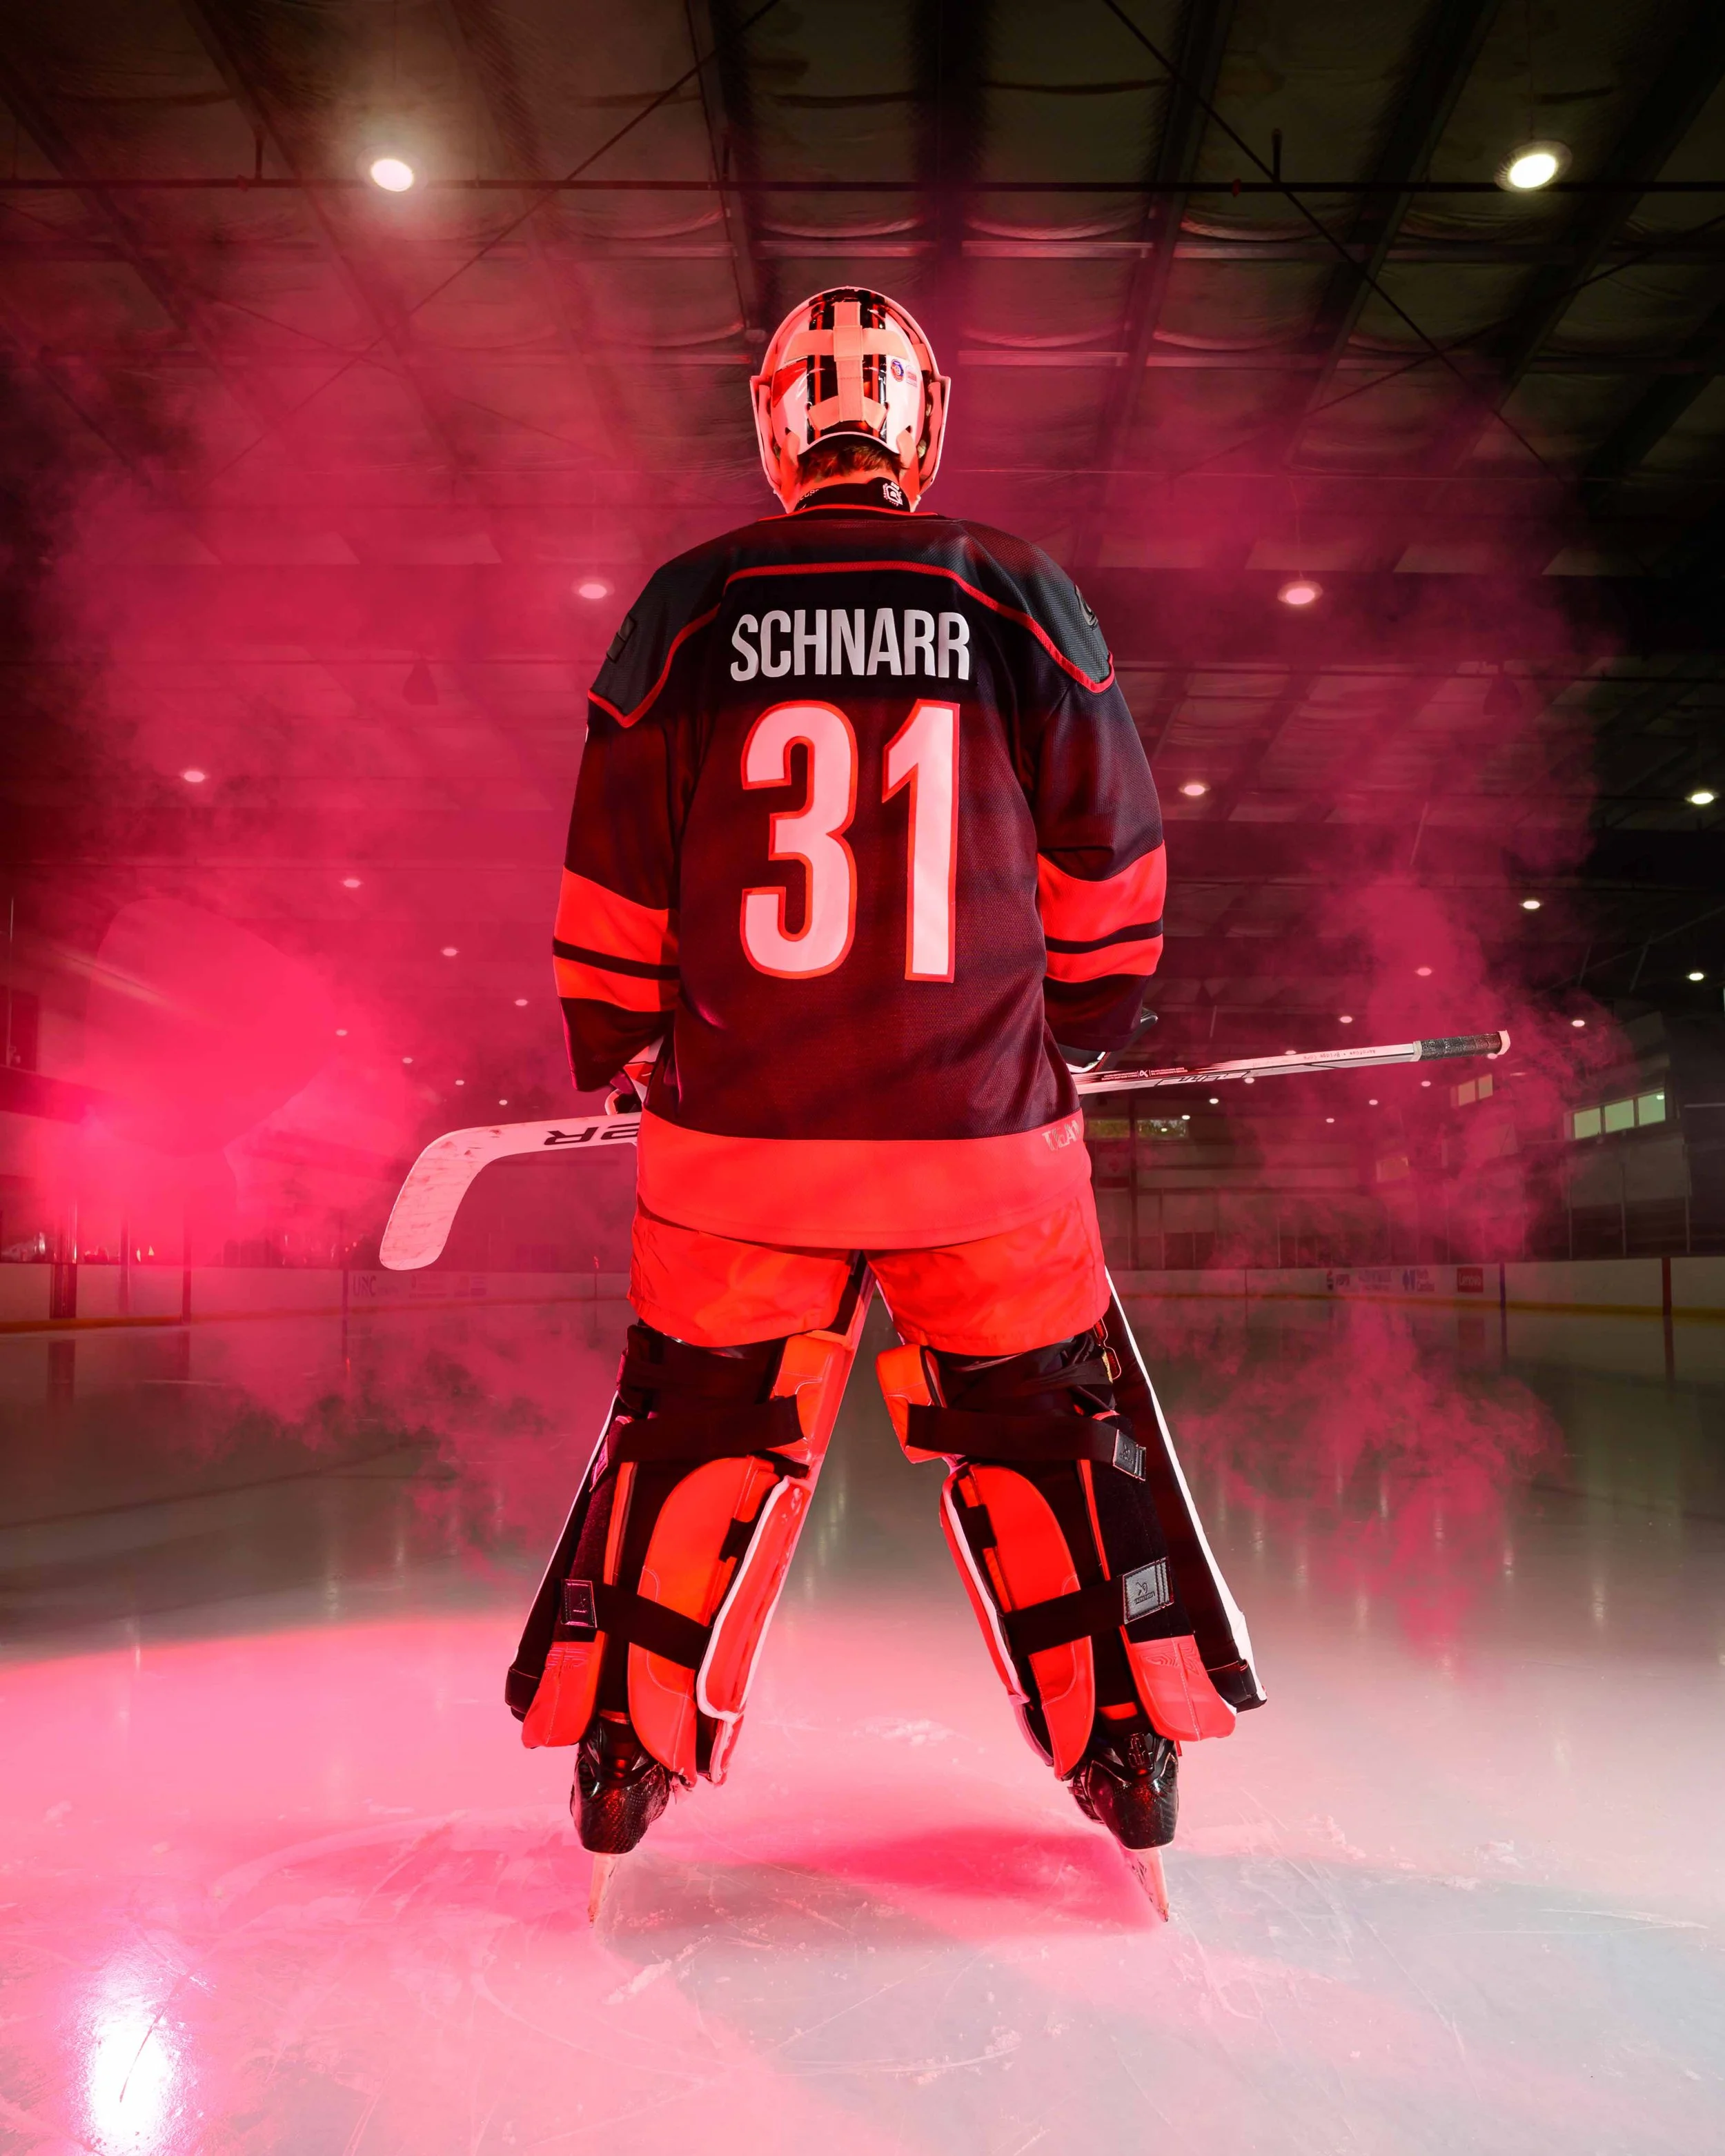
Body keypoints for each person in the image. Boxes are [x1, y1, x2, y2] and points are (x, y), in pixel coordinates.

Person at [507, 288, 1261, 1904]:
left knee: (693, 1425)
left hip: (736, 1154)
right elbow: (1109, 863)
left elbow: (610, 877)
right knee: (1050, 1438)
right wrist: (1083, 1024)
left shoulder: (684, 607)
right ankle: (1124, 1749)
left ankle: (622, 1753)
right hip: (978, 1151)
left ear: (775, 421)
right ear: (919, 421)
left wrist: (627, 1039)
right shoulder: (1017, 591)